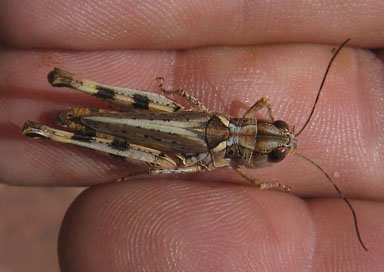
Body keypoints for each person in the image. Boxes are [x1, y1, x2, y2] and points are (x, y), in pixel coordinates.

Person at [1, 1, 383, 271]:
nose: (280, 138)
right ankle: (64, 93)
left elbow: (255, 101)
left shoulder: (249, 115)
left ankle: (47, 130)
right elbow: (175, 166)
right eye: (279, 132)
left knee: (163, 148)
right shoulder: (238, 168)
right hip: (162, 130)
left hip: (177, 127)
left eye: (277, 144)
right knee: (163, 164)